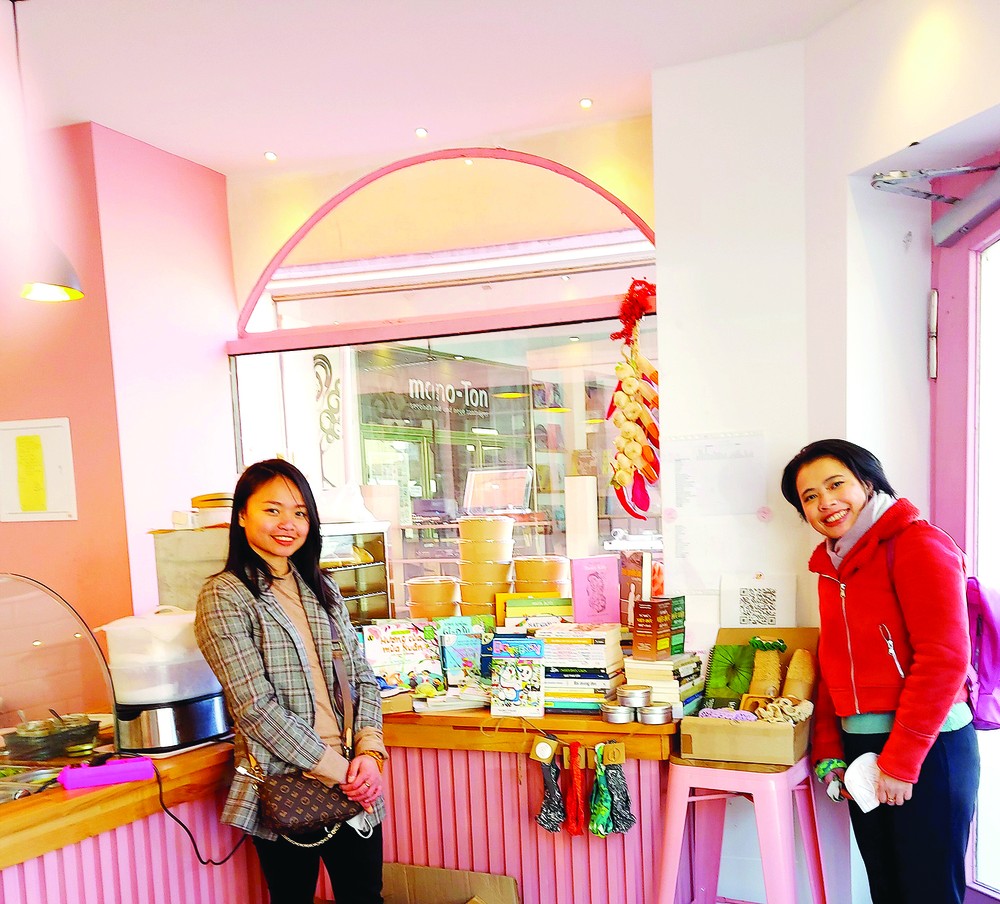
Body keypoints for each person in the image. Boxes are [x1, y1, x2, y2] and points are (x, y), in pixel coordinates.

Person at [780, 439, 980, 904]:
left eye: (836, 484)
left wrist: (901, 763)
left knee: (929, 892)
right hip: (863, 750)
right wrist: (829, 751)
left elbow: (945, 658)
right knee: (887, 889)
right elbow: (832, 663)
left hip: (929, 749)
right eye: (810, 496)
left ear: (867, 482)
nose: (826, 502)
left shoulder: (919, 543)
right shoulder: (831, 567)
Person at [195, 459, 386, 904]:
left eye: (300, 512)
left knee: (366, 898)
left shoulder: (322, 587)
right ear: (242, 515)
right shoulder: (224, 595)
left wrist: (370, 751)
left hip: (355, 776)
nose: (288, 524)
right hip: (285, 782)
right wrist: (340, 772)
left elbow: (362, 678)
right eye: (272, 510)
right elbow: (255, 708)